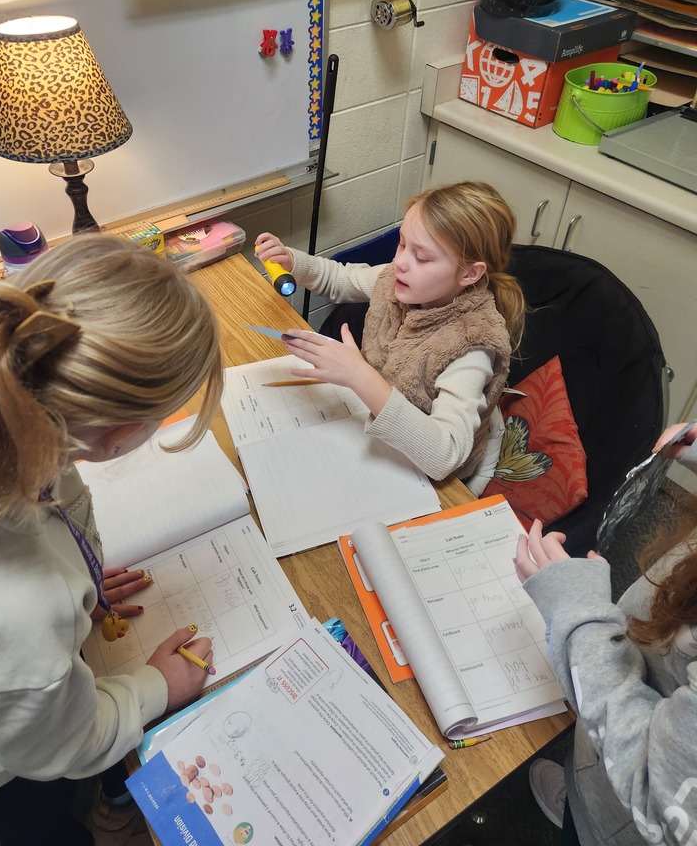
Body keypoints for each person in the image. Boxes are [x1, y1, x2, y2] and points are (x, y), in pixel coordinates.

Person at [0, 234, 224, 846]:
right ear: (118, 436)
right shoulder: (17, 604)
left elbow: (61, 506)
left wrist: (81, 580)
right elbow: (55, 747)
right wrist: (155, 687)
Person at [255, 181, 525, 494]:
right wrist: (292, 261)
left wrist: (361, 376)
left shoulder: (471, 347)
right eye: (402, 244)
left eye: (422, 257)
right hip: (380, 428)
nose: (400, 262)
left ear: (469, 274)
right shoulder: (399, 279)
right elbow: (338, 278)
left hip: (434, 474)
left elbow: (444, 456)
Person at [516, 421, 697, 846]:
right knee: (592, 786)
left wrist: (578, 614)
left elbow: (661, 799)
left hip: (630, 822)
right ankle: (580, 798)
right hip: (620, 754)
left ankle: (588, 820)